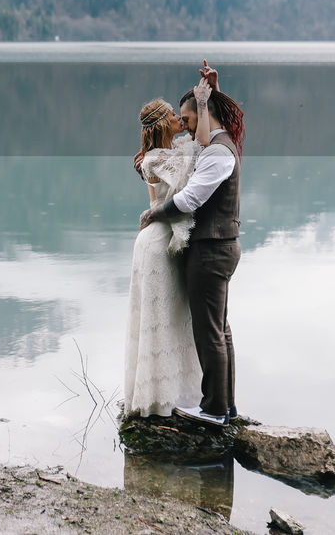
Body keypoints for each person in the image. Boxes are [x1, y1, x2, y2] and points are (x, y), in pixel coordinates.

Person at [139, 64, 245, 427]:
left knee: (209, 331)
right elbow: (200, 139)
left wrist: (156, 214)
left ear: (203, 114)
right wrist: (213, 90)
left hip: (211, 250)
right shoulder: (216, 144)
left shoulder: (218, 153)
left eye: (186, 118)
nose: (182, 125)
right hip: (219, 246)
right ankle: (226, 406)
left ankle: (214, 409)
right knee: (219, 328)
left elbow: (189, 199)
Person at [121, 77, 215, 417]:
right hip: (157, 245)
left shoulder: (163, 153)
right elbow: (202, 149)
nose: (180, 118)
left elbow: (198, 145)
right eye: (175, 115)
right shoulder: (157, 159)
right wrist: (202, 103)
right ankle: (158, 401)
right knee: (159, 320)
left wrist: (207, 94)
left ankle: (170, 397)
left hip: (161, 241)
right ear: (164, 124)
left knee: (172, 318)